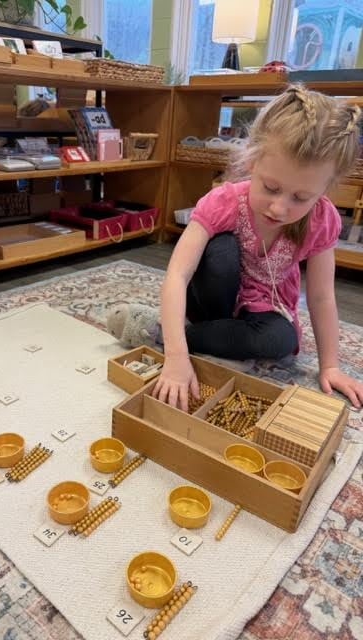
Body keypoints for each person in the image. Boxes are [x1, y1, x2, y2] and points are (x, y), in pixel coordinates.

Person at [107, 83, 363, 411]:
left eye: (301, 198)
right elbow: (177, 275)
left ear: (324, 189)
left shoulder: (321, 219)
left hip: (261, 306)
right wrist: (175, 357)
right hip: (210, 297)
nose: (279, 208)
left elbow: (321, 297)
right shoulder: (224, 201)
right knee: (222, 251)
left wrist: (330, 366)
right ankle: (176, 334)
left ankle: (171, 333)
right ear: (252, 161)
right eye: (271, 188)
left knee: (282, 341)